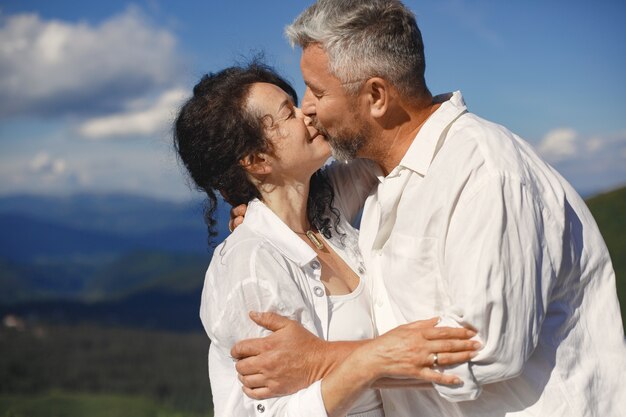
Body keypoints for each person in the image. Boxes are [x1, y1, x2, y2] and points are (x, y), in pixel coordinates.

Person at [229, 1, 626, 416]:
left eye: (319, 91)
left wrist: (322, 359)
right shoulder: (380, 168)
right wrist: (261, 218)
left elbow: (485, 348)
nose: (307, 107)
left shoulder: (485, 174)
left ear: (377, 96)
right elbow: (307, 198)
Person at [173, 62, 480, 417]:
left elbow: (395, 137)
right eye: (288, 113)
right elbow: (275, 410)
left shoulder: (322, 213)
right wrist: (371, 360)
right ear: (257, 160)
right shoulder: (252, 263)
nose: (306, 114)